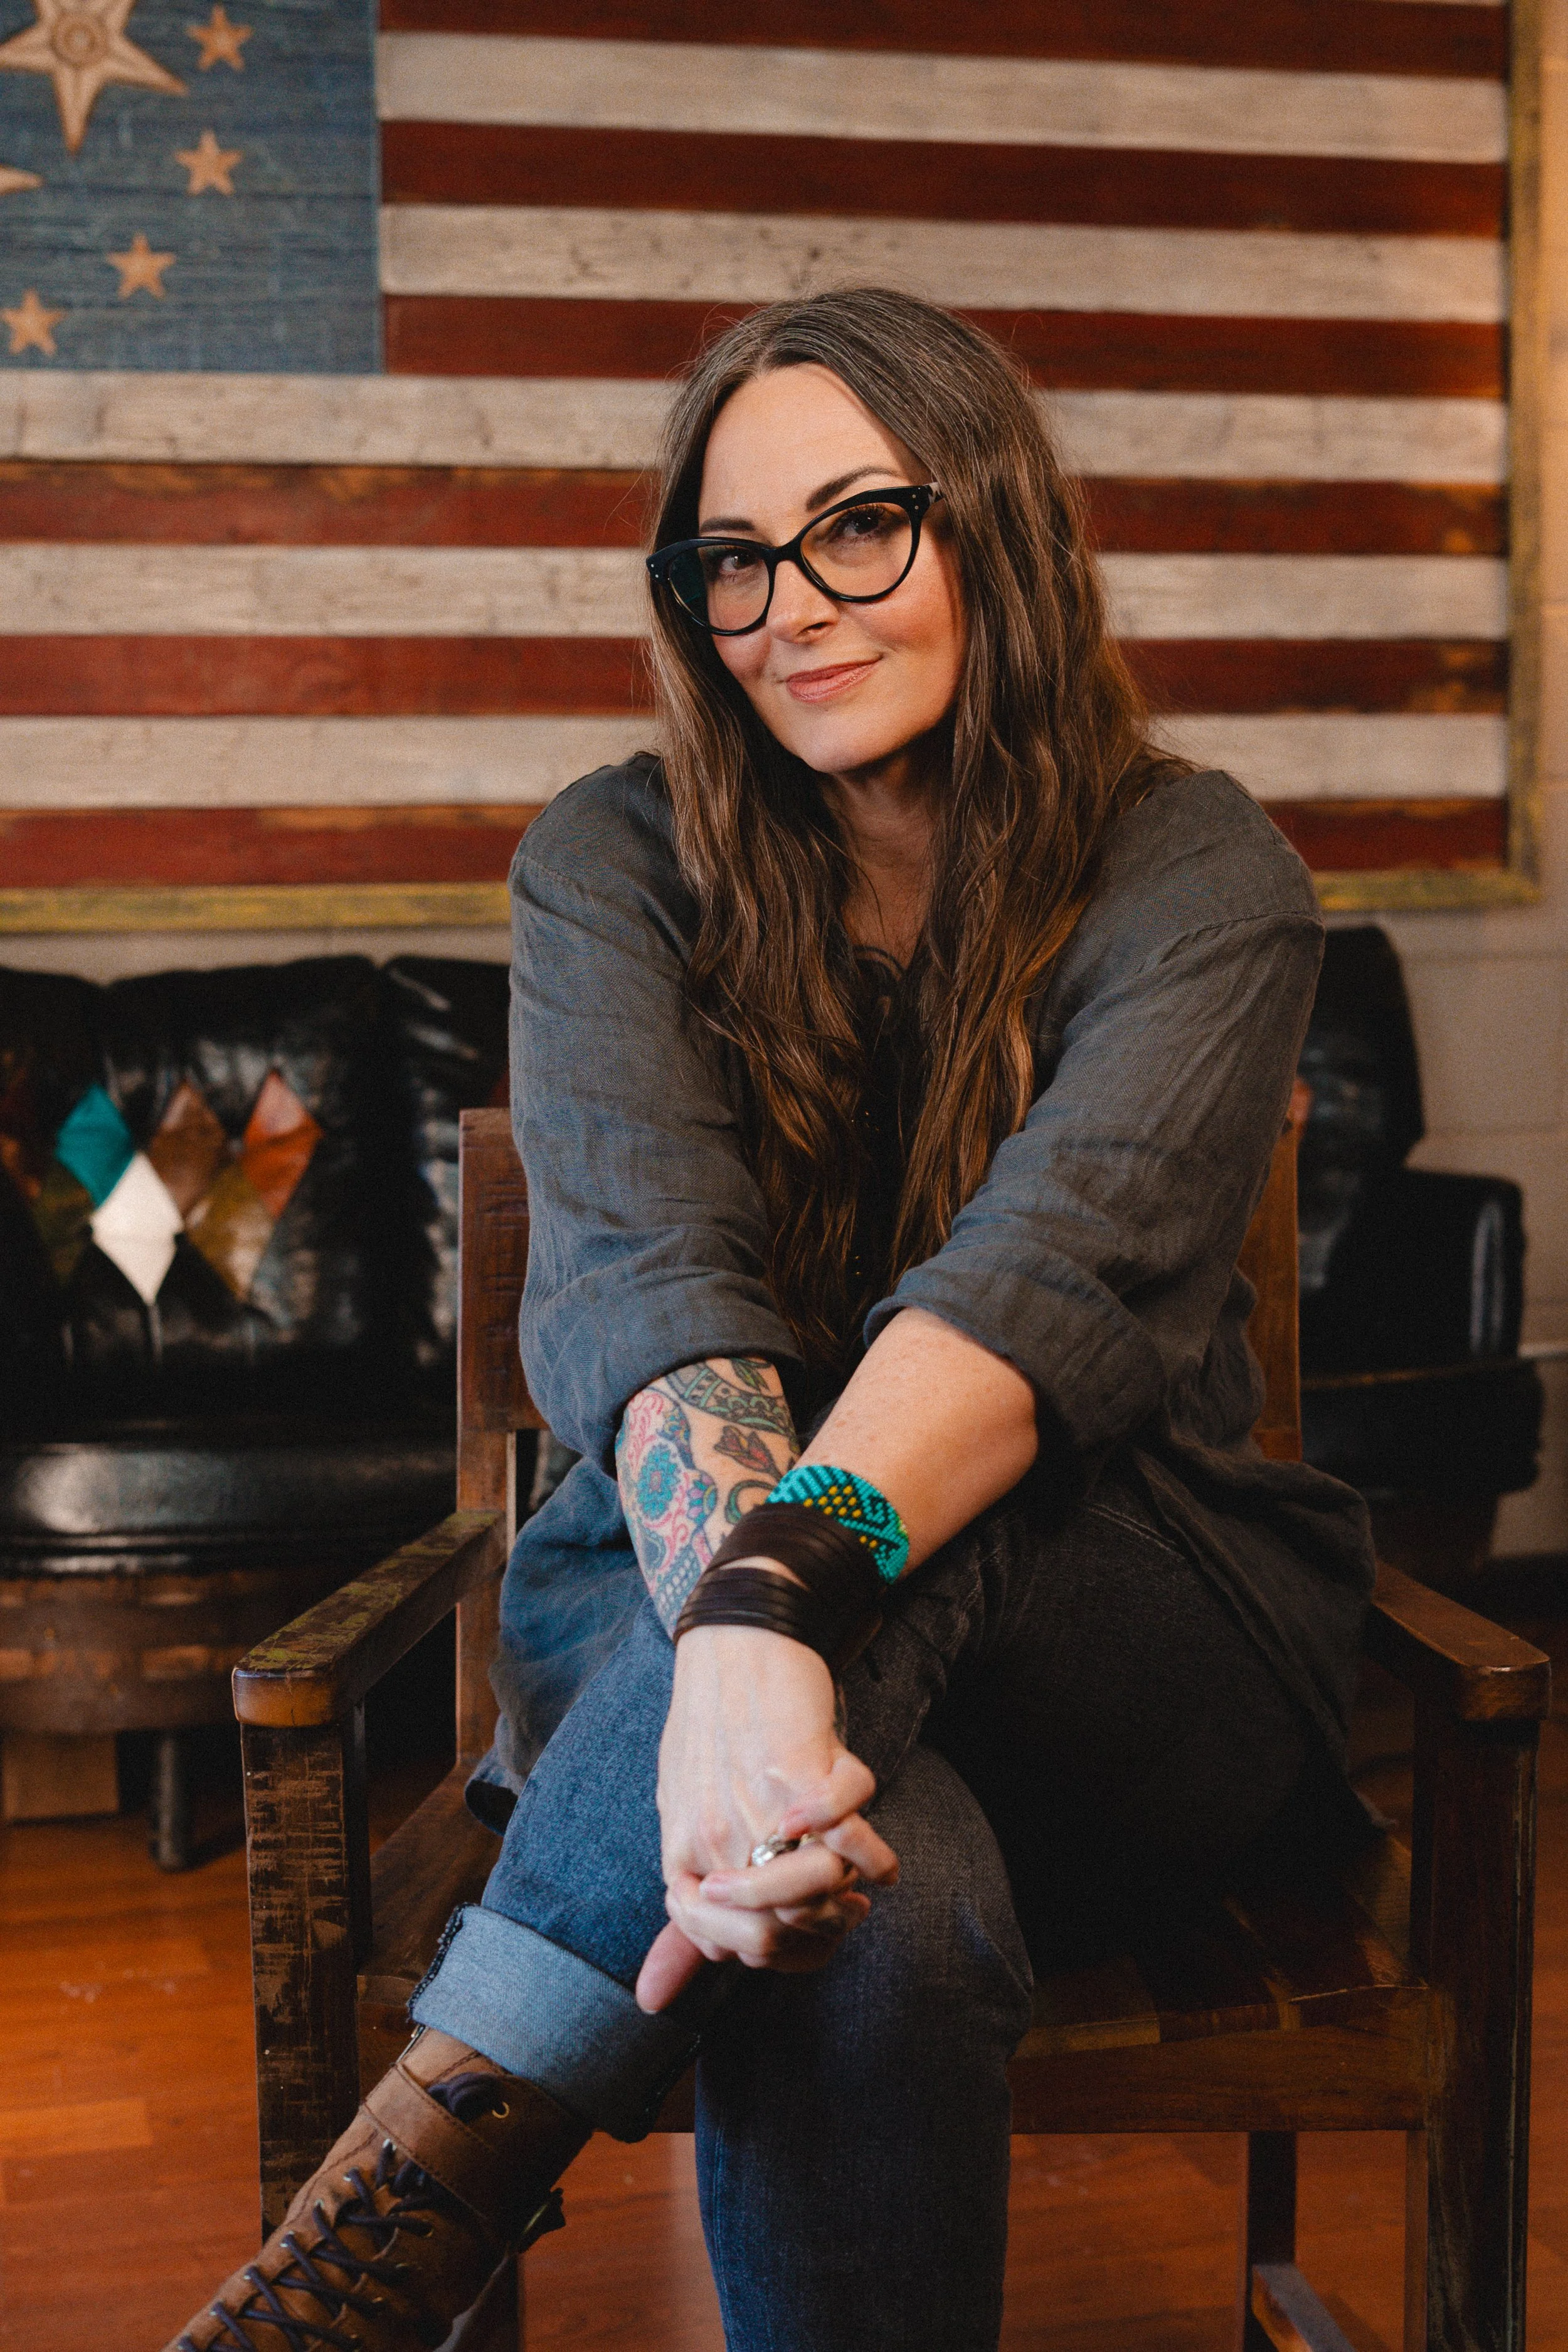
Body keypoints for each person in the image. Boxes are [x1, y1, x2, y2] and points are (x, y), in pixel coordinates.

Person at [167, 288, 1375, 2352]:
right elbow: (650, 1285)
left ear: (997, 525)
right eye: (729, 559)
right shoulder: (611, 860)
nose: (787, 606)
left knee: (936, 1512)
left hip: (1133, 1639)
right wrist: (750, 1647)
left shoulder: (1200, 870)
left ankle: (434, 2164)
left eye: (856, 526)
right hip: (706, 1684)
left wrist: (753, 1615)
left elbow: (1041, 1284)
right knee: (870, 1929)